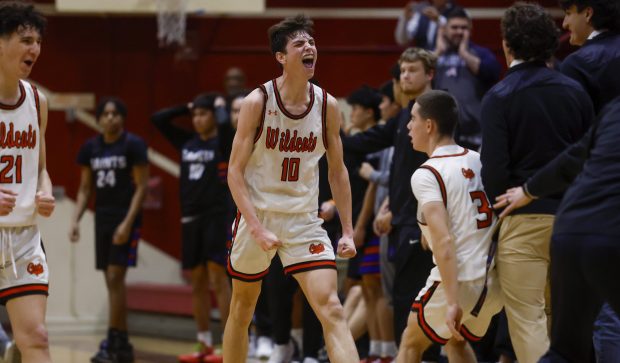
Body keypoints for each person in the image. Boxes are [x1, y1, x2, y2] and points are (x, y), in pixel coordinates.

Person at [223, 15, 359, 363]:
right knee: (242, 310)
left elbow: (338, 171)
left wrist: (347, 230)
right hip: (260, 215)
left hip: (303, 219)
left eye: (311, 42)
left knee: (331, 308)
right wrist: (255, 227)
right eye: (299, 43)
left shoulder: (327, 105)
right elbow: (235, 173)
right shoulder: (258, 102)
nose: (309, 47)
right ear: (281, 56)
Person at [479, 4, 594, 363]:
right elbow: (589, 159)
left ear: (507, 45)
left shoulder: (498, 97)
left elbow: (494, 174)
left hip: (522, 219)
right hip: (574, 221)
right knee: (566, 323)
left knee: (527, 320)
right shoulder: (577, 91)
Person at [342, 48, 438, 361]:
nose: (405, 76)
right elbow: (363, 144)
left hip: (423, 224)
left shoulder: (436, 112)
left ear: (429, 75)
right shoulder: (404, 116)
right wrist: (325, 135)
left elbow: (432, 171)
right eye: (403, 70)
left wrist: (400, 208)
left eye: (413, 70)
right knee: (403, 300)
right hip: (402, 222)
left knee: (417, 303)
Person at [396, 90, 501, 363]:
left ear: (429, 125)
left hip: (458, 279)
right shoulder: (478, 160)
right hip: (493, 280)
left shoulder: (426, 173)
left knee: (410, 344)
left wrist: (453, 300)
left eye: (413, 119)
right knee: (456, 341)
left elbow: (443, 242)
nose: (408, 125)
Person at [151, 93, 232, 363]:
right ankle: (204, 343)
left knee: (218, 279)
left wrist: (219, 109)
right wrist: (185, 106)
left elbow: (227, 127)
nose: (197, 120)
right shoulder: (187, 142)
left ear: (213, 116)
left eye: (203, 114)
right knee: (197, 281)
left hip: (216, 217)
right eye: (194, 115)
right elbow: (158, 120)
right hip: (190, 218)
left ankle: (229, 342)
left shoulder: (223, 142)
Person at [70, 97, 148, 363]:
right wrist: (75, 220)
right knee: (111, 281)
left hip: (125, 218)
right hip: (102, 219)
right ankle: (122, 343)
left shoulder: (133, 145)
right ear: (99, 118)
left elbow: (142, 187)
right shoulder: (90, 148)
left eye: (115, 114)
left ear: (122, 118)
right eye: (106, 113)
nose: (110, 118)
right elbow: (84, 189)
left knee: (116, 278)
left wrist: (127, 223)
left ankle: (113, 341)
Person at [0, 3, 54, 362]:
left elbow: (42, 167)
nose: (34, 48)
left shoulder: (37, 100)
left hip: (22, 237)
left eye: (37, 41)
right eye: (25, 39)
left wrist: (44, 191)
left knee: (35, 336)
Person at [433, 7, 500, 150]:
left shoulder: (480, 52)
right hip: (443, 132)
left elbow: (493, 72)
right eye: (454, 27)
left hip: (476, 133)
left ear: (470, 29)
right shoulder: (435, 54)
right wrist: (438, 51)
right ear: (444, 29)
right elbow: (421, 71)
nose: (459, 31)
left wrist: (464, 53)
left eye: (463, 28)